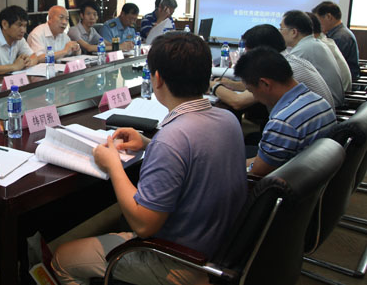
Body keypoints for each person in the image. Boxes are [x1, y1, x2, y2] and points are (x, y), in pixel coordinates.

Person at [52, 33, 247, 285]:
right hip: (217, 248)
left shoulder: (172, 138)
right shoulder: (228, 119)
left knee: (62, 259)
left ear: (157, 78)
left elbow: (144, 226)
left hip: (178, 262)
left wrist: (113, 164)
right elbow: (195, 156)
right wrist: (148, 144)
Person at [235, 47, 336, 176]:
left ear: (265, 84)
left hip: (286, 184)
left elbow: (256, 174)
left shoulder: (283, 123)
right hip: (312, 177)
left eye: (251, 90)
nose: (254, 97)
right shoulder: (319, 101)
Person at [211, 24, 334, 114]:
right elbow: (257, 87)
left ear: (260, 52)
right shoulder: (289, 60)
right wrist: (231, 84)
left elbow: (238, 102)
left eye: (249, 53)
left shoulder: (277, 69)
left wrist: (212, 85)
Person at [280, 10, 344, 107]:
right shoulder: (314, 43)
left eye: (281, 28)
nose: (280, 32)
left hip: (326, 106)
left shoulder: (304, 49)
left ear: (293, 32)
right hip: (328, 103)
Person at [312, 0, 360, 81]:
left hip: (344, 82)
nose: (317, 24)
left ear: (328, 17)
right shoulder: (339, 33)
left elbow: (330, 65)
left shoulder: (341, 36)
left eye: (318, 20)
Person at [306, 12, 352, 92]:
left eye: (283, 29)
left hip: (340, 95)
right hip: (339, 92)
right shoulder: (323, 41)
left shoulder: (315, 46)